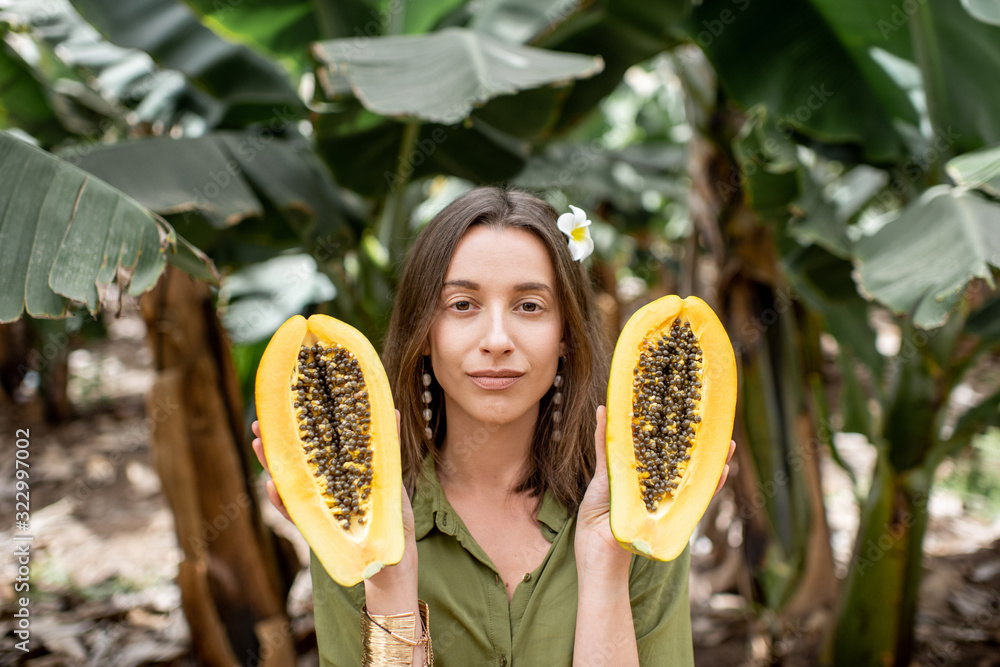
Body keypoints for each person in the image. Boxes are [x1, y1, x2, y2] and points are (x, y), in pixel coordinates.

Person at [251, 186, 734, 666]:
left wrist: (606, 565)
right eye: (462, 305)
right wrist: (387, 580)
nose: (497, 340)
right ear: (424, 332)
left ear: (565, 333)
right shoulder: (359, 523)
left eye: (529, 306)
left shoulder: (634, 519)